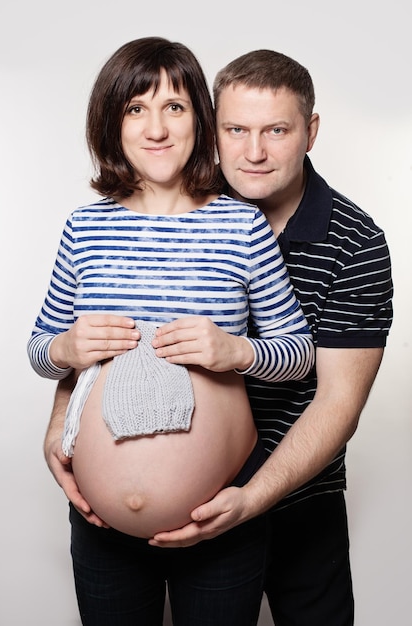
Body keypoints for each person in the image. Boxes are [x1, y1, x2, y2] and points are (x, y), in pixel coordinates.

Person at [28, 38, 314, 625]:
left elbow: (300, 354)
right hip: (101, 527)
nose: (156, 128)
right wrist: (65, 347)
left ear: (199, 120)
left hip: (222, 521)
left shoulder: (241, 225)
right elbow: (41, 349)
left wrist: (236, 349)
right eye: (136, 108)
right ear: (112, 122)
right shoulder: (84, 230)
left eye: (175, 107)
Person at [147, 50, 394, 625]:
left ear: (310, 132)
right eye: (235, 129)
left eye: (276, 130)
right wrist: (61, 428)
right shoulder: (175, 209)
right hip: (186, 492)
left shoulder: (355, 242)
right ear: (213, 129)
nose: (253, 152)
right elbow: (103, 333)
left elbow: (338, 401)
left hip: (297, 501)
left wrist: (252, 500)